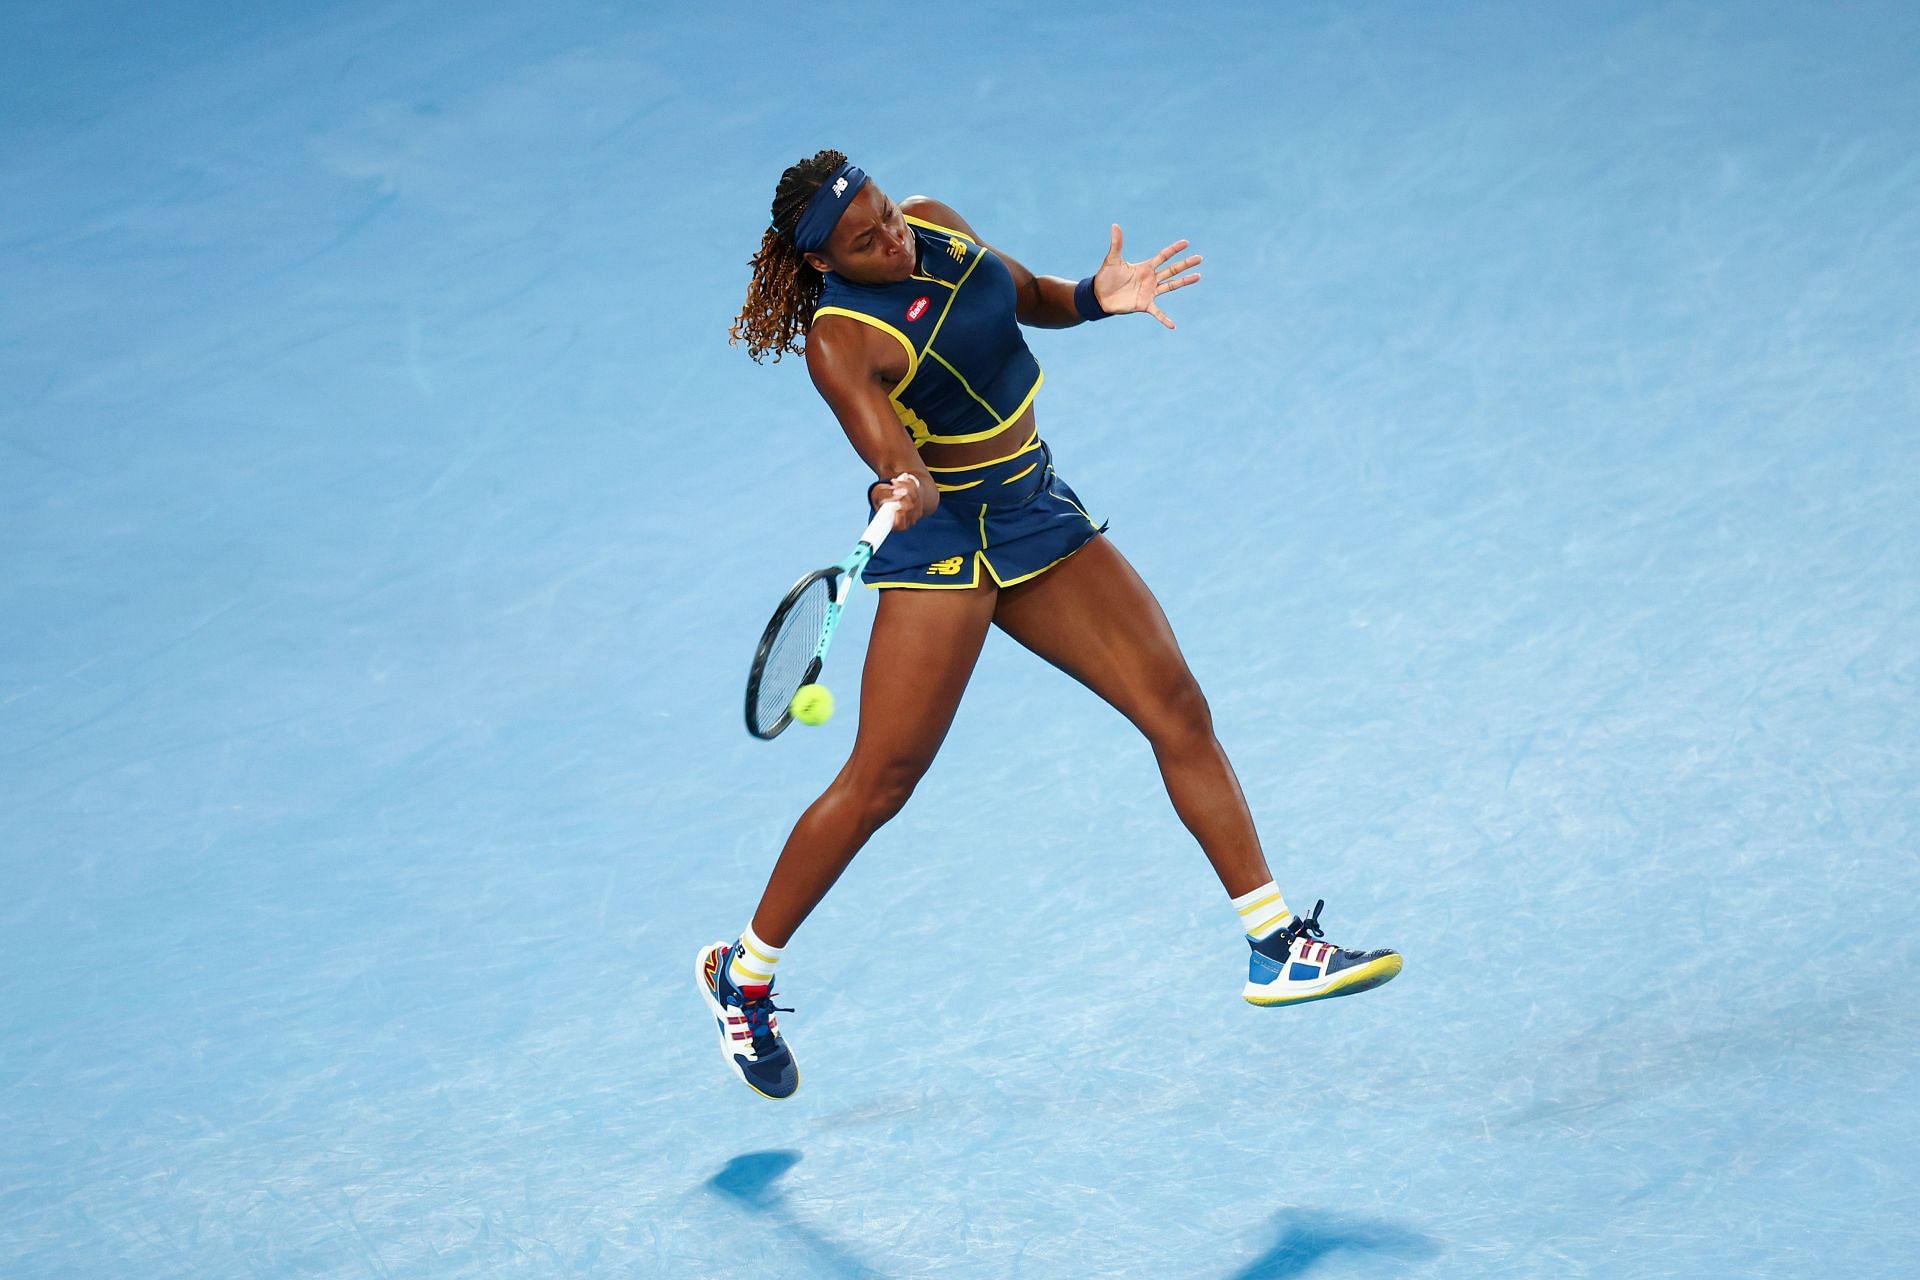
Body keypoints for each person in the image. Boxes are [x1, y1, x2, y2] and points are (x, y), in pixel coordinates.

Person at [699, 150, 1400, 1100]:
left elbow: (1024, 293)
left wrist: (1094, 296)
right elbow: (897, 453)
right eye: (866, 241)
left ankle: (1275, 945)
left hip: (1033, 507)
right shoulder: (837, 339)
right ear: (826, 264)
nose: (891, 236)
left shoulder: (935, 219)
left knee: (1177, 710)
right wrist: (897, 485)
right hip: (947, 542)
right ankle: (742, 978)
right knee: (881, 782)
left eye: (884, 213)